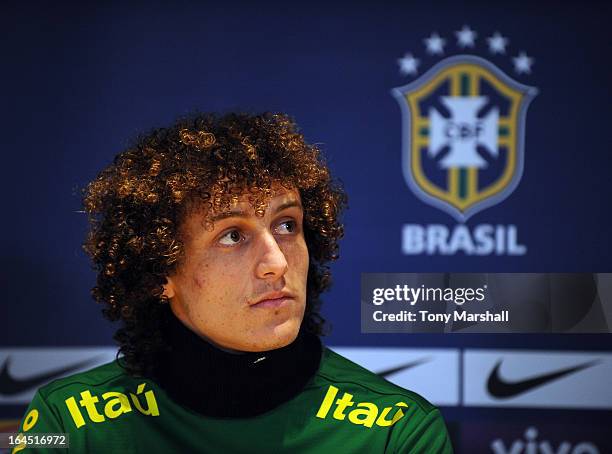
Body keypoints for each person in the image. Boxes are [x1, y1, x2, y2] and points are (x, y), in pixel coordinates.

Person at [13, 113, 453, 453]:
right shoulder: (67, 422)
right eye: (233, 236)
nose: (276, 263)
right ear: (159, 272)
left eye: (286, 226)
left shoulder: (397, 430)